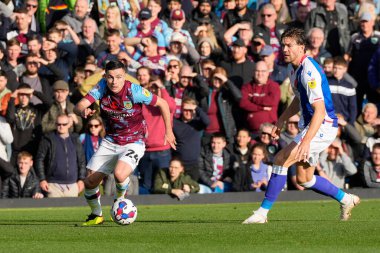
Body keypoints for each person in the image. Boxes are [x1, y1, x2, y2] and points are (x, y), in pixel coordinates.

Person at [242, 27, 360, 224]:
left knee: (280, 159)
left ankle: (262, 214)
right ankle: (346, 199)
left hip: (322, 126)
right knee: (305, 179)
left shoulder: (309, 71)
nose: (285, 49)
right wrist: (281, 120)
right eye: (283, 45)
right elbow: (298, 99)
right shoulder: (292, 68)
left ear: (302, 47)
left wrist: (305, 141)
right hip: (311, 125)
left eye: (289, 45)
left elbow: (320, 111)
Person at [74, 60, 176, 226]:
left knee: (120, 174)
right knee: (90, 182)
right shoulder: (101, 88)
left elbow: (163, 104)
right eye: (111, 77)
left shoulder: (134, 90)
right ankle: (96, 215)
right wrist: (82, 111)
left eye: (119, 77)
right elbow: (79, 106)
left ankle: (120, 200)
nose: (114, 82)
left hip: (134, 141)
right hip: (111, 140)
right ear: (105, 77)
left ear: (125, 76)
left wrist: (169, 131)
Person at [35, 114, 86, 198]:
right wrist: (42, 179)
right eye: (58, 124)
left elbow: (81, 161)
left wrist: (81, 179)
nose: (61, 126)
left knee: (72, 211)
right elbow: (39, 159)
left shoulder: (75, 139)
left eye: (64, 124)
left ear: (69, 124)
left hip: (72, 185)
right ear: (55, 124)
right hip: (53, 185)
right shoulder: (48, 139)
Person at [173, 97, 210, 181]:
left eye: (190, 110)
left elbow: (207, 121)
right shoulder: (175, 122)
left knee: (193, 190)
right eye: (186, 110)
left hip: (194, 164)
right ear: (181, 109)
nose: (188, 112)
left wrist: (196, 107)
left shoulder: (197, 123)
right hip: (179, 164)